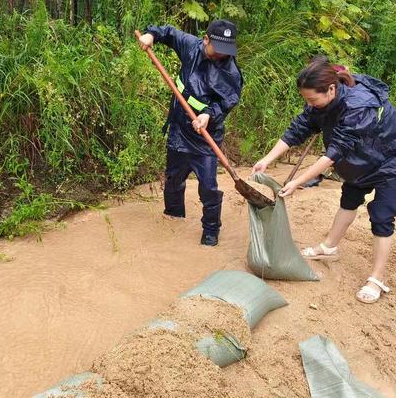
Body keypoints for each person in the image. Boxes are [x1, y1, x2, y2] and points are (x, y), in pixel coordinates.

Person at [252, 56, 396, 303]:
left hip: (389, 161)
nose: (309, 104)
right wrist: (268, 158)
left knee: (382, 217)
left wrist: (297, 182)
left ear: (330, 89)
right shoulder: (321, 102)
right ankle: (329, 247)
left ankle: (376, 278)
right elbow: (298, 129)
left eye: (312, 100)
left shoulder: (358, 106)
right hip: (360, 160)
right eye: (306, 100)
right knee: (349, 199)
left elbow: (334, 153)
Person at [138, 20, 243, 246]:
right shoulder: (190, 46)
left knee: (208, 186)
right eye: (219, 49)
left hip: (206, 138)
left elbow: (228, 101)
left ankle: (211, 231)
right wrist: (151, 35)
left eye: (227, 51)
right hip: (179, 128)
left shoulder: (231, 72)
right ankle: (173, 218)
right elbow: (168, 32)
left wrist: (209, 115)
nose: (223, 55)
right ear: (206, 39)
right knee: (173, 179)